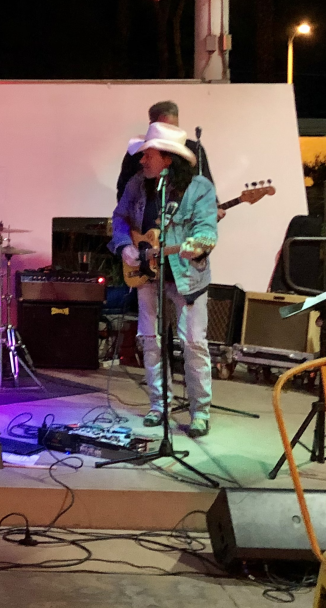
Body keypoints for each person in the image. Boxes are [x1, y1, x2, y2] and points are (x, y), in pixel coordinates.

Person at [110, 123, 218, 438]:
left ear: (168, 159)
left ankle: (200, 413)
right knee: (150, 341)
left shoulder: (200, 189)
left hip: (187, 279)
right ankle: (159, 406)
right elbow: (120, 218)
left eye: (149, 154)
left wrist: (198, 243)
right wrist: (124, 245)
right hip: (146, 276)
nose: (142, 160)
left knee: (193, 344)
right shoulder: (137, 185)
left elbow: (208, 230)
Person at [116, 101, 214, 202]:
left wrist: (212, 206)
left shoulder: (194, 148)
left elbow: (205, 183)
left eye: (174, 128)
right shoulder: (136, 153)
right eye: (165, 128)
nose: (170, 133)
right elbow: (123, 190)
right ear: (151, 126)